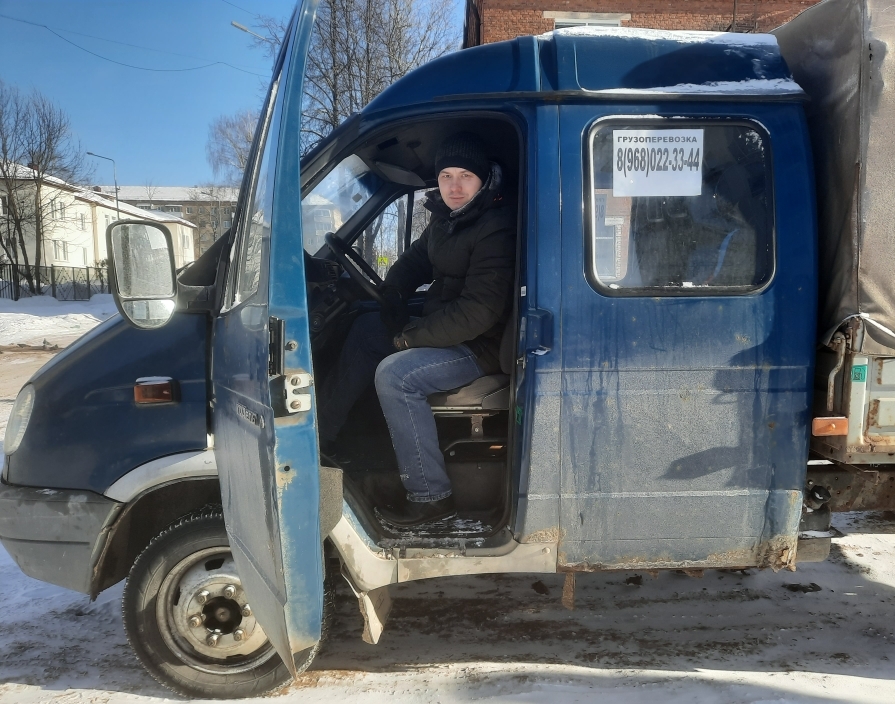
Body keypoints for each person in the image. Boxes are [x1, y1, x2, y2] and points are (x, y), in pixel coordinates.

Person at [317, 131, 516, 527]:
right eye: (446, 176)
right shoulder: (447, 221)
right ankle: (321, 438)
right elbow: (414, 260)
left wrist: (410, 336)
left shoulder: (494, 227)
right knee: (366, 328)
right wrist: (393, 293)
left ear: (483, 179)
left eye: (465, 176)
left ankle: (431, 499)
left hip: (480, 346)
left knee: (397, 376)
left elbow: (478, 312)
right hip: (452, 332)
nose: (454, 186)